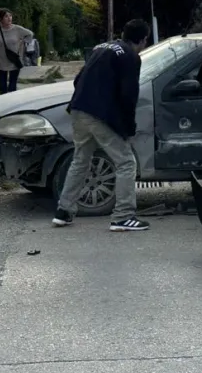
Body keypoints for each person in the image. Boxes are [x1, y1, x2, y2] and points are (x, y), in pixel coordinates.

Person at [52, 19, 150, 232]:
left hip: (78, 109)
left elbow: (78, 80)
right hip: (100, 115)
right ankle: (123, 216)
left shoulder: (102, 48)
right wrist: (128, 127)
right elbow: (128, 95)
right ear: (143, 40)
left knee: (81, 160)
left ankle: (64, 211)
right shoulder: (131, 57)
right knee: (126, 162)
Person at [0, 9, 34, 94]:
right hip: (1, 60)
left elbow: (30, 34)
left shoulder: (17, 29)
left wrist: (23, 42)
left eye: (10, 16)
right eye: (6, 16)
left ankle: (11, 102)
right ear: (1, 19)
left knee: (12, 85)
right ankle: (3, 103)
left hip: (14, 59)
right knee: (2, 85)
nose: (9, 18)